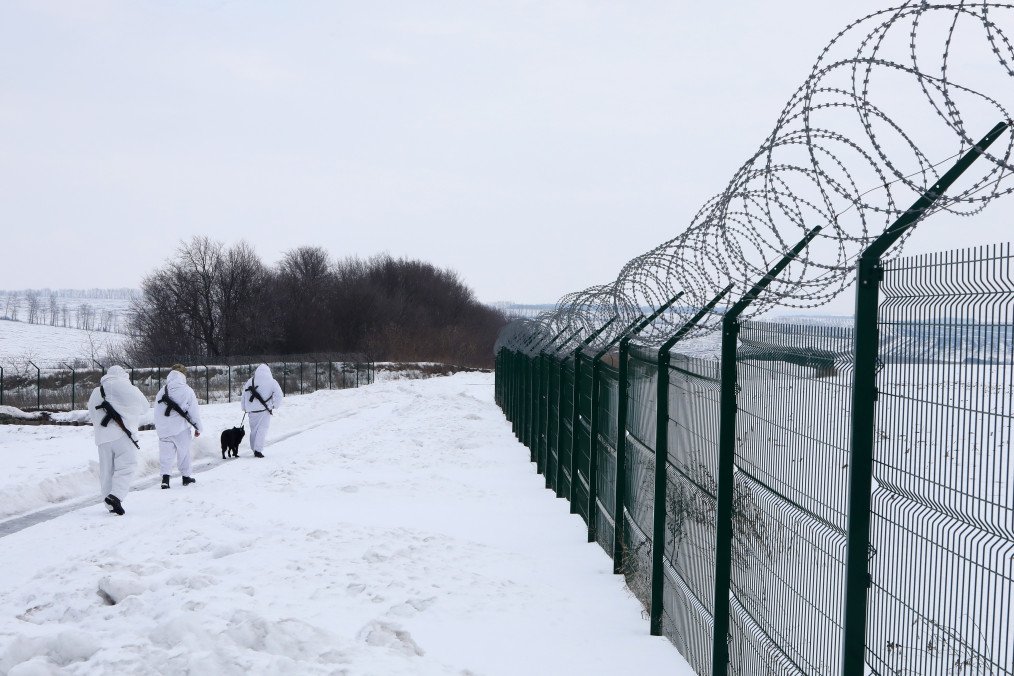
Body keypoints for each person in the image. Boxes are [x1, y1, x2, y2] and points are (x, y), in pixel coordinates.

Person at [87, 365, 150, 515]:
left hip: (102, 438)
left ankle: (109, 504)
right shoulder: (128, 387)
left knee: (106, 471)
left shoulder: (96, 391)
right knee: (127, 466)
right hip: (123, 435)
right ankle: (116, 496)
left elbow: (91, 412)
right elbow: (145, 407)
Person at [154, 363, 204, 489]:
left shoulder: (162, 391)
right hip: (181, 428)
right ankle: (186, 477)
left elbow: (156, 412)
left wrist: (160, 428)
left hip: (164, 430)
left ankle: (165, 479)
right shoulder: (187, 390)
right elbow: (194, 411)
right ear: (183, 375)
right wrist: (198, 428)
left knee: (166, 455)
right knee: (184, 453)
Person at [240, 363, 283, 458]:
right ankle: (258, 450)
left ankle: (253, 448)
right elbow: (279, 395)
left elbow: (244, 395)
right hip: (264, 410)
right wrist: (274, 405)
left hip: (252, 411)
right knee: (262, 429)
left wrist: (244, 407)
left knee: (254, 430)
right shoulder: (272, 382)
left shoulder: (250, 381)